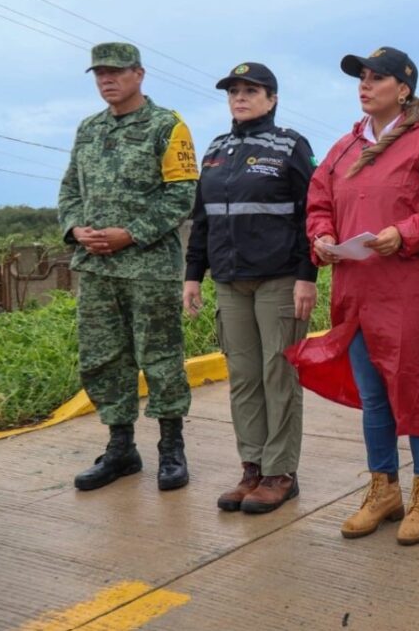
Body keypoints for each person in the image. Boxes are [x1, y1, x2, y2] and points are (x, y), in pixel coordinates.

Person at [287, 47, 419, 546]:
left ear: (404, 88)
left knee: (416, 391)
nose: (364, 86)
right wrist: (322, 237)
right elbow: (319, 201)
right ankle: (383, 488)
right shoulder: (346, 148)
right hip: (357, 290)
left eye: (376, 78)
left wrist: (405, 232)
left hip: (410, 291)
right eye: (361, 78)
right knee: (374, 399)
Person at [58, 42, 198, 492]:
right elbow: (68, 191)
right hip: (97, 269)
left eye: (115, 72)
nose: (106, 80)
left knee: (160, 359)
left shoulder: (168, 126)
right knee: (102, 359)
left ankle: (171, 449)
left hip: (149, 268)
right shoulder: (87, 129)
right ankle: (121, 449)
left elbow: (181, 196)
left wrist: (130, 233)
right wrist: (76, 228)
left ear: (139, 73)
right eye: (99, 73)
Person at [183, 62, 317, 514]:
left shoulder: (291, 145)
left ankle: (281, 474)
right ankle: (252, 469)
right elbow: (202, 220)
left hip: (278, 279)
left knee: (278, 376)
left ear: (272, 98)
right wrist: (191, 275)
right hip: (229, 281)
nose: (240, 97)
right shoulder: (217, 150)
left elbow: (310, 216)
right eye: (233, 91)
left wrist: (307, 276)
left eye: (251, 90)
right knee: (243, 378)